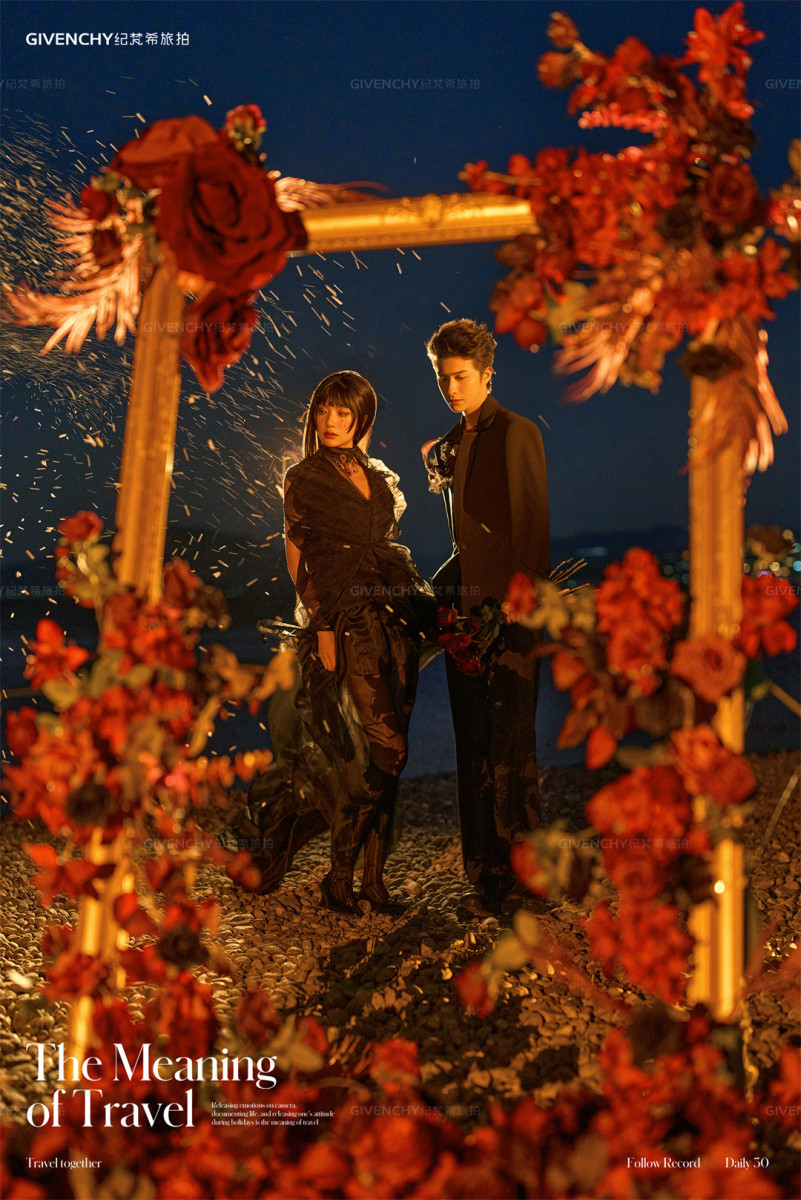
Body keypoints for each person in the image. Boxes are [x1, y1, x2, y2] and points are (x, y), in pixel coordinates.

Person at [242, 370, 434, 916]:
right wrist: (323, 625)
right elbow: (298, 559)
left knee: (393, 753)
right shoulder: (303, 477)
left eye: (343, 412)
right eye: (323, 410)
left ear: (361, 418)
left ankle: (371, 880)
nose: (330, 421)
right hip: (346, 620)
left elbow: (385, 545)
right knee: (385, 751)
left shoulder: (376, 474)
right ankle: (339, 875)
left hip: (393, 616)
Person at [423, 319, 549, 918]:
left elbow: (531, 525)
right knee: (471, 746)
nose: (451, 388)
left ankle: (528, 880)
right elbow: (464, 536)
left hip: (512, 616)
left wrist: (521, 605)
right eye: (443, 378)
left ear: (487, 373)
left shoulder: (518, 432)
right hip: (463, 617)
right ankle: (487, 877)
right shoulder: (451, 442)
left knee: (513, 748)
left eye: (461, 377)